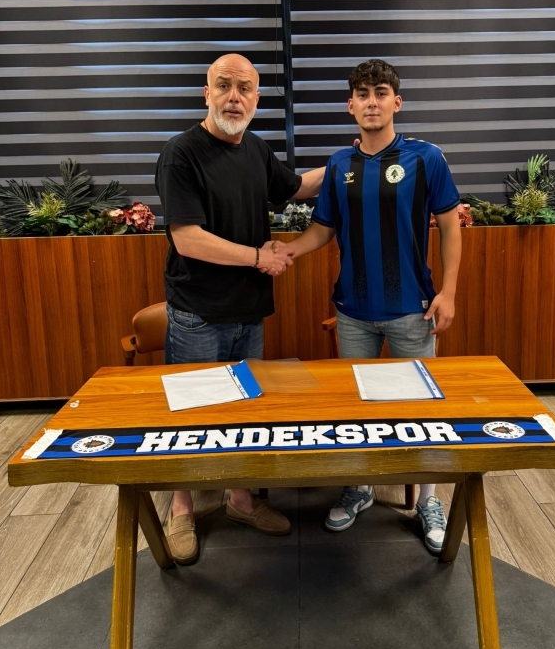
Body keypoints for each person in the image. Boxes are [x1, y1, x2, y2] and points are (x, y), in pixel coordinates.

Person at [287, 59, 462, 554]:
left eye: (380, 93)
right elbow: (323, 230)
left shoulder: (427, 158)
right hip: (353, 312)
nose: (371, 102)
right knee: (356, 408)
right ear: (350, 105)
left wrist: (449, 292)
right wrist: (287, 251)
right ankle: (360, 486)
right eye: (362, 94)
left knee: (421, 410)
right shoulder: (339, 165)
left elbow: (450, 226)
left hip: (413, 309)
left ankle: (428, 499)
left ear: (396, 102)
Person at [155, 53, 324, 564]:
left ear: (256, 98)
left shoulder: (255, 149)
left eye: (244, 88)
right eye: (224, 85)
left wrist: (352, 160)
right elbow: (187, 239)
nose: (234, 96)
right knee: (191, 416)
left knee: (245, 410)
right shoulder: (181, 154)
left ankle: (240, 499)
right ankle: (181, 507)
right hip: (198, 314)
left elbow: (297, 187)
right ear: (206, 93)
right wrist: (258, 257)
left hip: (248, 313)